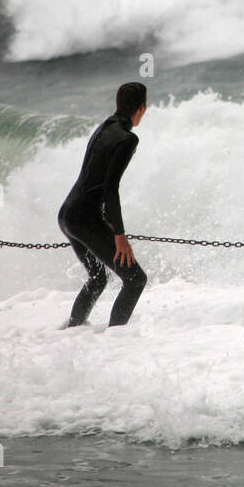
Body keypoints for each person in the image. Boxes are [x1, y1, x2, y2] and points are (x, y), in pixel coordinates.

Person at [58, 82, 149, 327]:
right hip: (85, 219)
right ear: (141, 108)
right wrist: (119, 235)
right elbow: (110, 187)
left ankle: (74, 328)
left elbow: (95, 179)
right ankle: (115, 340)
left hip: (68, 214)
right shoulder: (128, 139)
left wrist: (107, 221)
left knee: (98, 278)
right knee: (135, 280)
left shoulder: (105, 127)